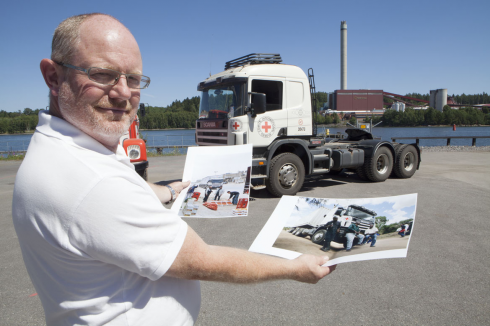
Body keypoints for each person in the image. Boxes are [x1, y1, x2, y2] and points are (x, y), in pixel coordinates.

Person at [12, 13, 335, 326]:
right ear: (54, 77)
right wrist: (293, 265)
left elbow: (109, 191)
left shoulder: (58, 151)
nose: (124, 92)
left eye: (134, 79)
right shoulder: (92, 181)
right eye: (101, 74)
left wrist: (165, 191)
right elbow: (200, 260)